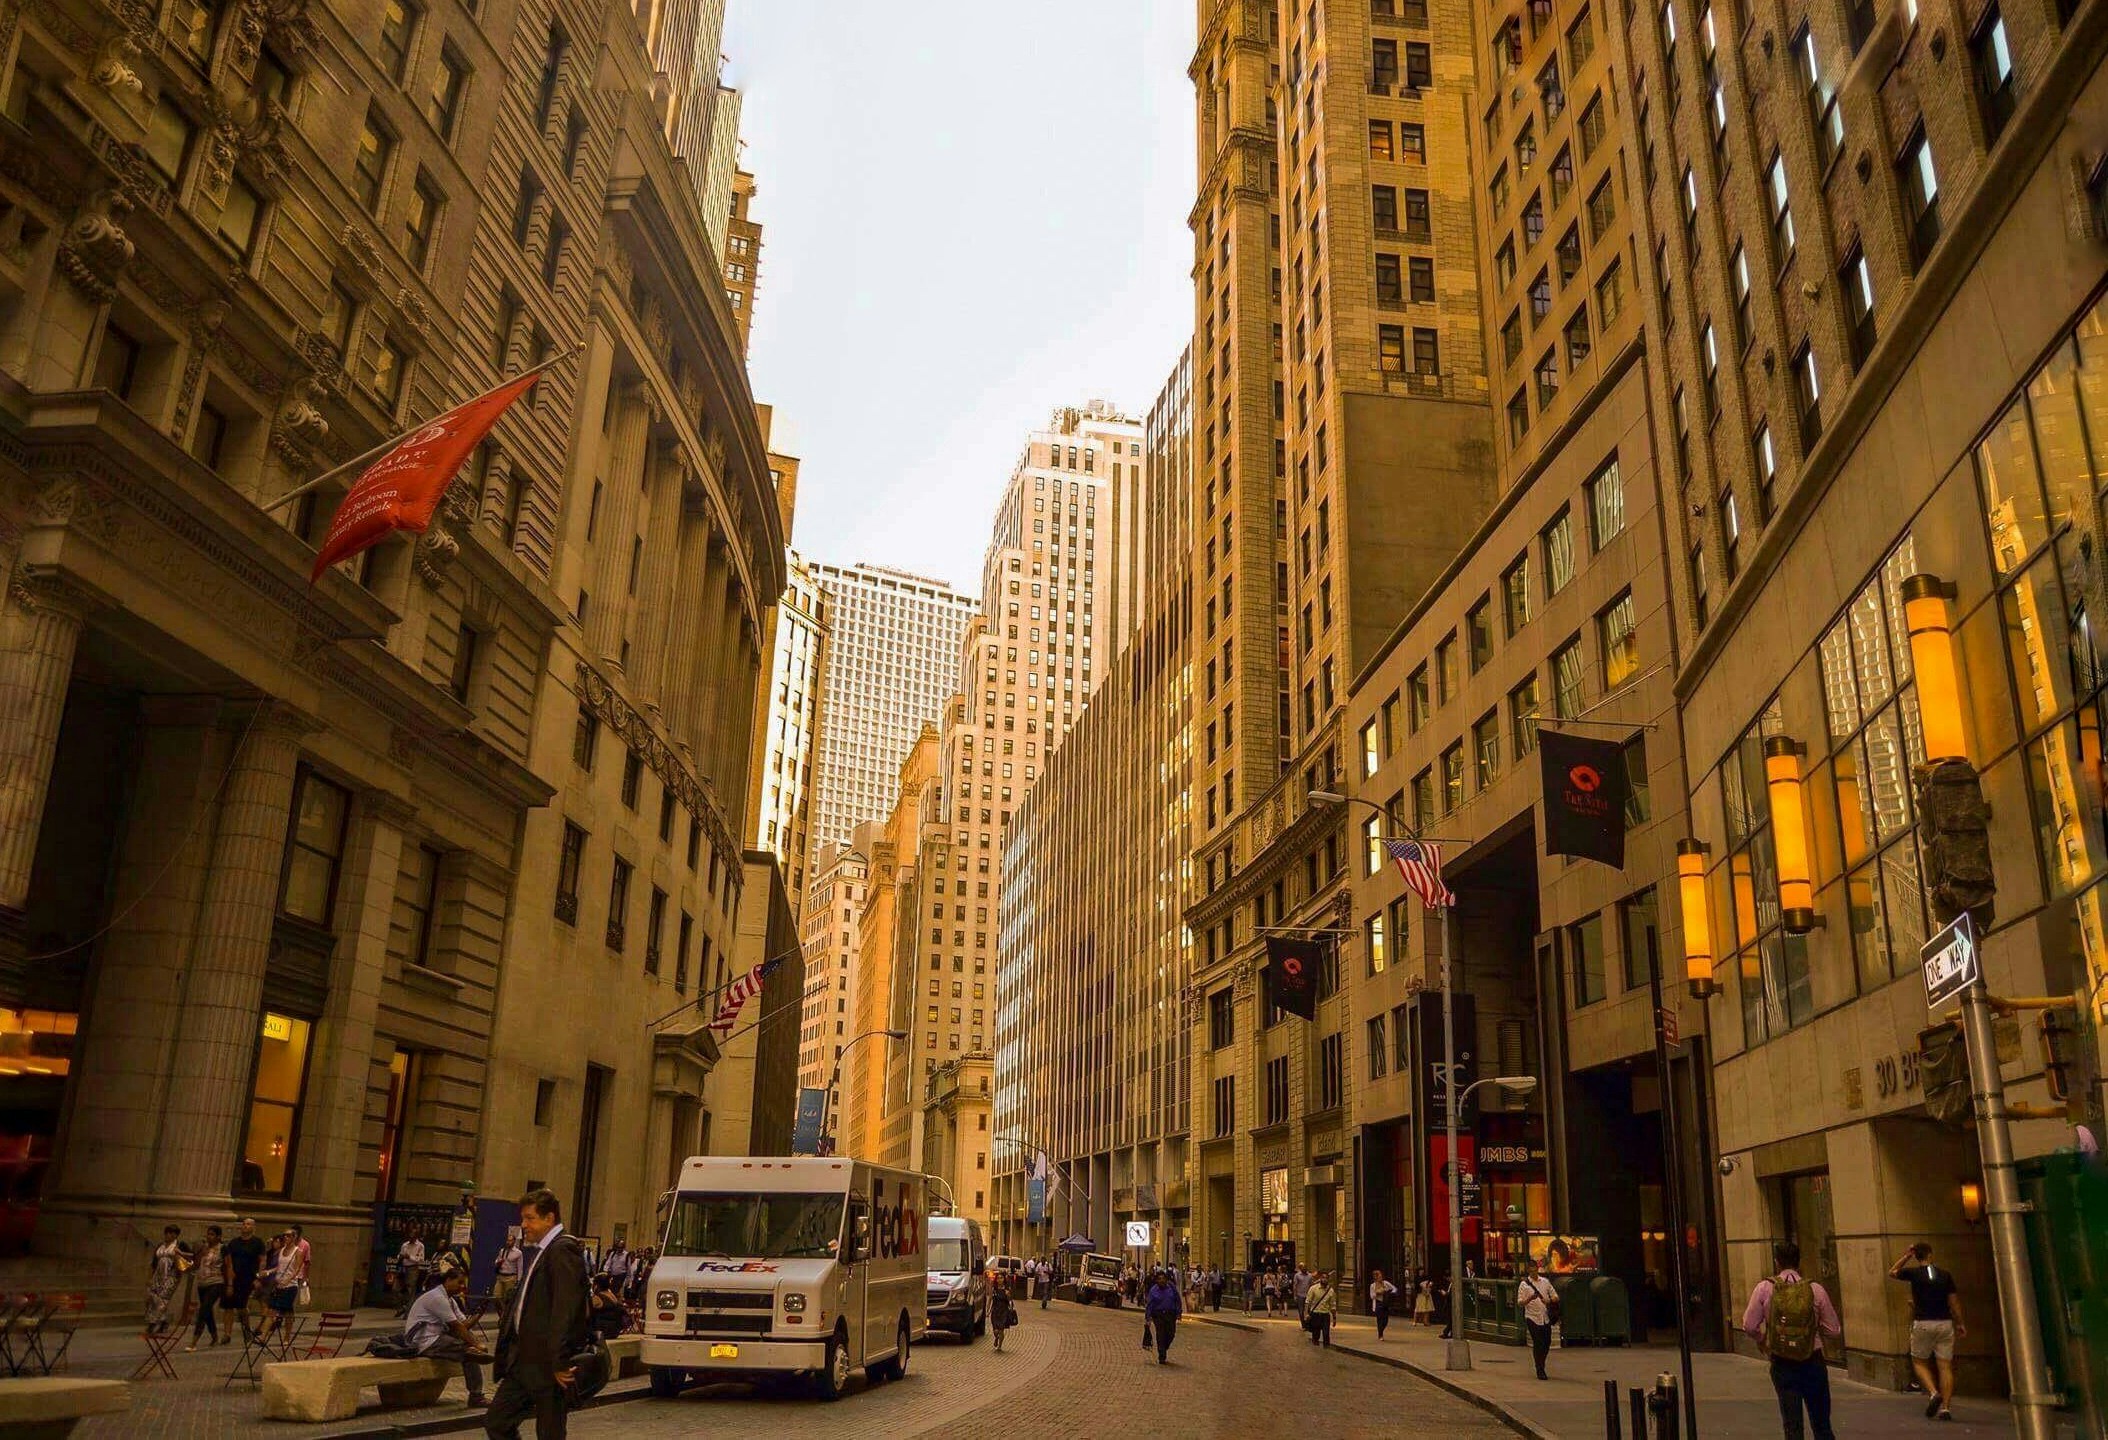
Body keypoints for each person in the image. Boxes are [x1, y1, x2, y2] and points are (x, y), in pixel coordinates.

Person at [488, 1187, 589, 1440]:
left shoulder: (562, 1249)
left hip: (549, 1364)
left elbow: (565, 1309)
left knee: (549, 1433)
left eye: (530, 1218)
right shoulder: (544, 1250)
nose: (524, 1225)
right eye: (523, 1218)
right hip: (524, 1362)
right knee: (497, 1423)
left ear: (549, 1218)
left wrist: (560, 1361)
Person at [1742, 1241, 1843, 1440]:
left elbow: (1749, 1325)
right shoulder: (1815, 1289)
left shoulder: (1764, 1288)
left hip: (1782, 1361)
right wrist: (1812, 1329)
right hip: (1812, 1360)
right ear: (1799, 1262)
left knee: (1792, 1425)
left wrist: (1763, 1340)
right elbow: (1834, 1330)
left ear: (1777, 1262)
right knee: (1822, 1424)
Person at [1890, 1243, 1967, 1420]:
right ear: (1931, 1254)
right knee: (1945, 1366)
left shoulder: (1914, 1274)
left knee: (1919, 1362)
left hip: (1923, 1322)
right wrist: (1960, 1323)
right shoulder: (1945, 1275)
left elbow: (1892, 1272)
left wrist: (1906, 1256)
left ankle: (1933, 1393)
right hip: (1945, 1324)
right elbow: (1954, 1303)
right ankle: (1946, 1408)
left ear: (1916, 1256)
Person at [407, 1267, 490, 1409]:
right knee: (470, 1353)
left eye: (463, 1283)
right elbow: (457, 1327)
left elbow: (464, 1325)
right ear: (448, 1280)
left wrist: (478, 1313)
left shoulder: (450, 1300)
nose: (462, 1286)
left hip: (437, 1338)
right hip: (424, 1342)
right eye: (459, 1282)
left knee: (469, 1348)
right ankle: (476, 1397)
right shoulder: (437, 1298)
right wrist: (476, 1344)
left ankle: (476, 1394)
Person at [259, 1230, 307, 1346]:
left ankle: (286, 1336)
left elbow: (298, 1268)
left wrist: (289, 1279)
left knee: (283, 1311)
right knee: (275, 1309)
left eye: (289, 1235)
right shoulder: (281, 1251)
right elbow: (278, 1267)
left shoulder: (297, 1252)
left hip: (290, 1286)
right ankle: (263, 1336)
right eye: (285, 1235)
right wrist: (268, 1272)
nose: (286, 1237)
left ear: (294, 1237)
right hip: (279, 1285)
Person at [186, 1225, 226, 1351]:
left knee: (203, 1310)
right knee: (207, 1312)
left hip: (216, 1282)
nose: (209, 1237)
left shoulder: (223, 1248)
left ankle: (194, 1342)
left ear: (219, 1236)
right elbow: (196, 1264)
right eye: (208, 1234)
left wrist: (230, 1284)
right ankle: (214, 1336)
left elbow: (229, 1265)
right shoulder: (204, 1248)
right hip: (202, 1283)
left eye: (212, 1234)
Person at [224, 1218, 266, 1335]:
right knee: (229, 1307)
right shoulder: (234, 1243)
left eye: (248, 1224)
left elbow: (262, 1261)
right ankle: (227, 1334)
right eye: (244, 1224)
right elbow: (229, 1261)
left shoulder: (258, 1242)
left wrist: (258, 1278)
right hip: (234, 1277)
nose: (245, 1226)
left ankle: (246, 1329)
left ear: (253, 1227)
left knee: (242, 1307)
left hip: (248, 1278)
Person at [1518, 1258, 1558, 1380]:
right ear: (1528, 1271)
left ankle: (1541, 1362)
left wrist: (1549, 1300)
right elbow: (1520, 1303)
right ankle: (1539, 1368)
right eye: (1531, 1271)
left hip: (1545, 1317)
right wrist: (1530, 1298)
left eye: (1535, 1271)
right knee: (1538, 1342)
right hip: (1532, 1317)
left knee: (1547, 1343)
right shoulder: (1524, 1285)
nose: (1533, 1273)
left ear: (1537, 1269)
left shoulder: (1545, 1282)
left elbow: (1556, 1296)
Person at [145, 1225, 190, 1334]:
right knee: (153, 1296)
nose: (168, 1235)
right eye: (167, 1233)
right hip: (158, 1275)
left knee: (163, 1298)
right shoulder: (161, 1246)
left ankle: (153, 1323)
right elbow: (153, 1263)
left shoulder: (180, 1245)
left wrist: (181, 1253)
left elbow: (191, 1256)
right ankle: (164, 1321)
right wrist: (149, 1277)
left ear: (175, 1235)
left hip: (172, 1275)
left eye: (171, 1233)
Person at [1145, 1268, 1182, 1364]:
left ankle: (1164, 1347)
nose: (1161, 1281)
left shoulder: (1171, 1287)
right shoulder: (1153, 1290)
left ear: (1166, 1279)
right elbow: (1149, 1304)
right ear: (1157, 1281)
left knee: (1171, 1333)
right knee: (1160, 1334)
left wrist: (1179, 1312)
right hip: (1159, 1315)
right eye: (1159, 1279)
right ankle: (1162, 1355)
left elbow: (1177, 1300)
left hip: (1170, 1315)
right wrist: (1148, 1318)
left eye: (1163, 1278)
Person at [397, 1228, 429, 1316]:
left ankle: (408, 1311)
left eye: (412, 1237)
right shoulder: (405, 1245)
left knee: (410, 1289)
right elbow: (400, 1254)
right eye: (409, 1236)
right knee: (397, 1289)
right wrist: (400, 1257)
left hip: (413, 1268)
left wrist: (410, 1257)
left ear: (416, 1237)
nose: (410, 1238)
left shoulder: (420, 1246)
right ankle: (402, 1307)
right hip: (403, 1268)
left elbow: (421, 1259)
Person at [1306, 1271, 1337, 1348]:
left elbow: (1333, 1305)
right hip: (1315, 1314)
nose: (1325, 1280)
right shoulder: (1313, 1288)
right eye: (1323, 1278)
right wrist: (1307, 1313)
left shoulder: (1331, 1291)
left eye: (1326, 1278)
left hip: (1325, 1314)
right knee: (1316, 1334)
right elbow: (1308, 1302)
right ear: (1320, 1279)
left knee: (1326, 1333)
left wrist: (1334, 1318)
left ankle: (1326, 1348)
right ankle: (1316, 1347)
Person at [494, 1233, 525, 1308]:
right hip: (501, 1276)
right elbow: (496, 1261)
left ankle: (506, 1315)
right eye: (507, 1240)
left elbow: (520, 1267)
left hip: (511, 1277)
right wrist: (498, 1262)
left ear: (514, 1242)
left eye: (510, 1240)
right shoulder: (502, 1251)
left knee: (508, 1299)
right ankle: (502, 1313)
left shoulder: (518, 1253)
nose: (508, 1242)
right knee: (496, 1296)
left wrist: (518, 1280)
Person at [1368, 1269, 1399, 1340]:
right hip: (1378, 1304)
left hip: (1385, 1303)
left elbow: (1394, 1288)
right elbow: (1372, 1296)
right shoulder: (1372, 1286)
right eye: (1379, 1276)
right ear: (1375, 1277)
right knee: (1379, 1319)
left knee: (1385, 1320)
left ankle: (1381, 1331)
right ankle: (1380, 1335)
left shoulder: (1385, 1283)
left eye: (1381, 1275)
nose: (1381, 1277)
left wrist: (1389, 1292)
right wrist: (1377, 1293)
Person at [990, 1274, 1017, 1352]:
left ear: (1004, 1279)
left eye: (1001, 1278)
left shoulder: (1007, 1289)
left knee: (1001, 1329)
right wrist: (988, 1310)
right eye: (998, 1278)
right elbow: (990, 1300)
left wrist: (1008, 1296)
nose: (999, 1280)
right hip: (995, 1311)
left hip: (1003, 1311)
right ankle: (996, 1337)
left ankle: (999, 1346)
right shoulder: (994, 1289)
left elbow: (1010, 1300)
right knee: (995, 1330)